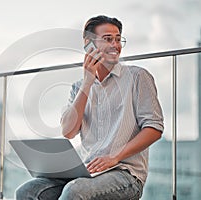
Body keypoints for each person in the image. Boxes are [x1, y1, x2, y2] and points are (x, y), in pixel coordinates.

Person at [15, 15, 164, 200]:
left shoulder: (138, 77)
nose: (115, 45)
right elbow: (68, 131)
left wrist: (115, 157)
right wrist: (87, 83)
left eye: (118, 39)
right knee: (26, 191)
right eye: (108, 39)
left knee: (75, 191)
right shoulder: (78, 88)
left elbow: (155, 128)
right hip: (87, 173)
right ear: (88, 44)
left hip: (126, 174)